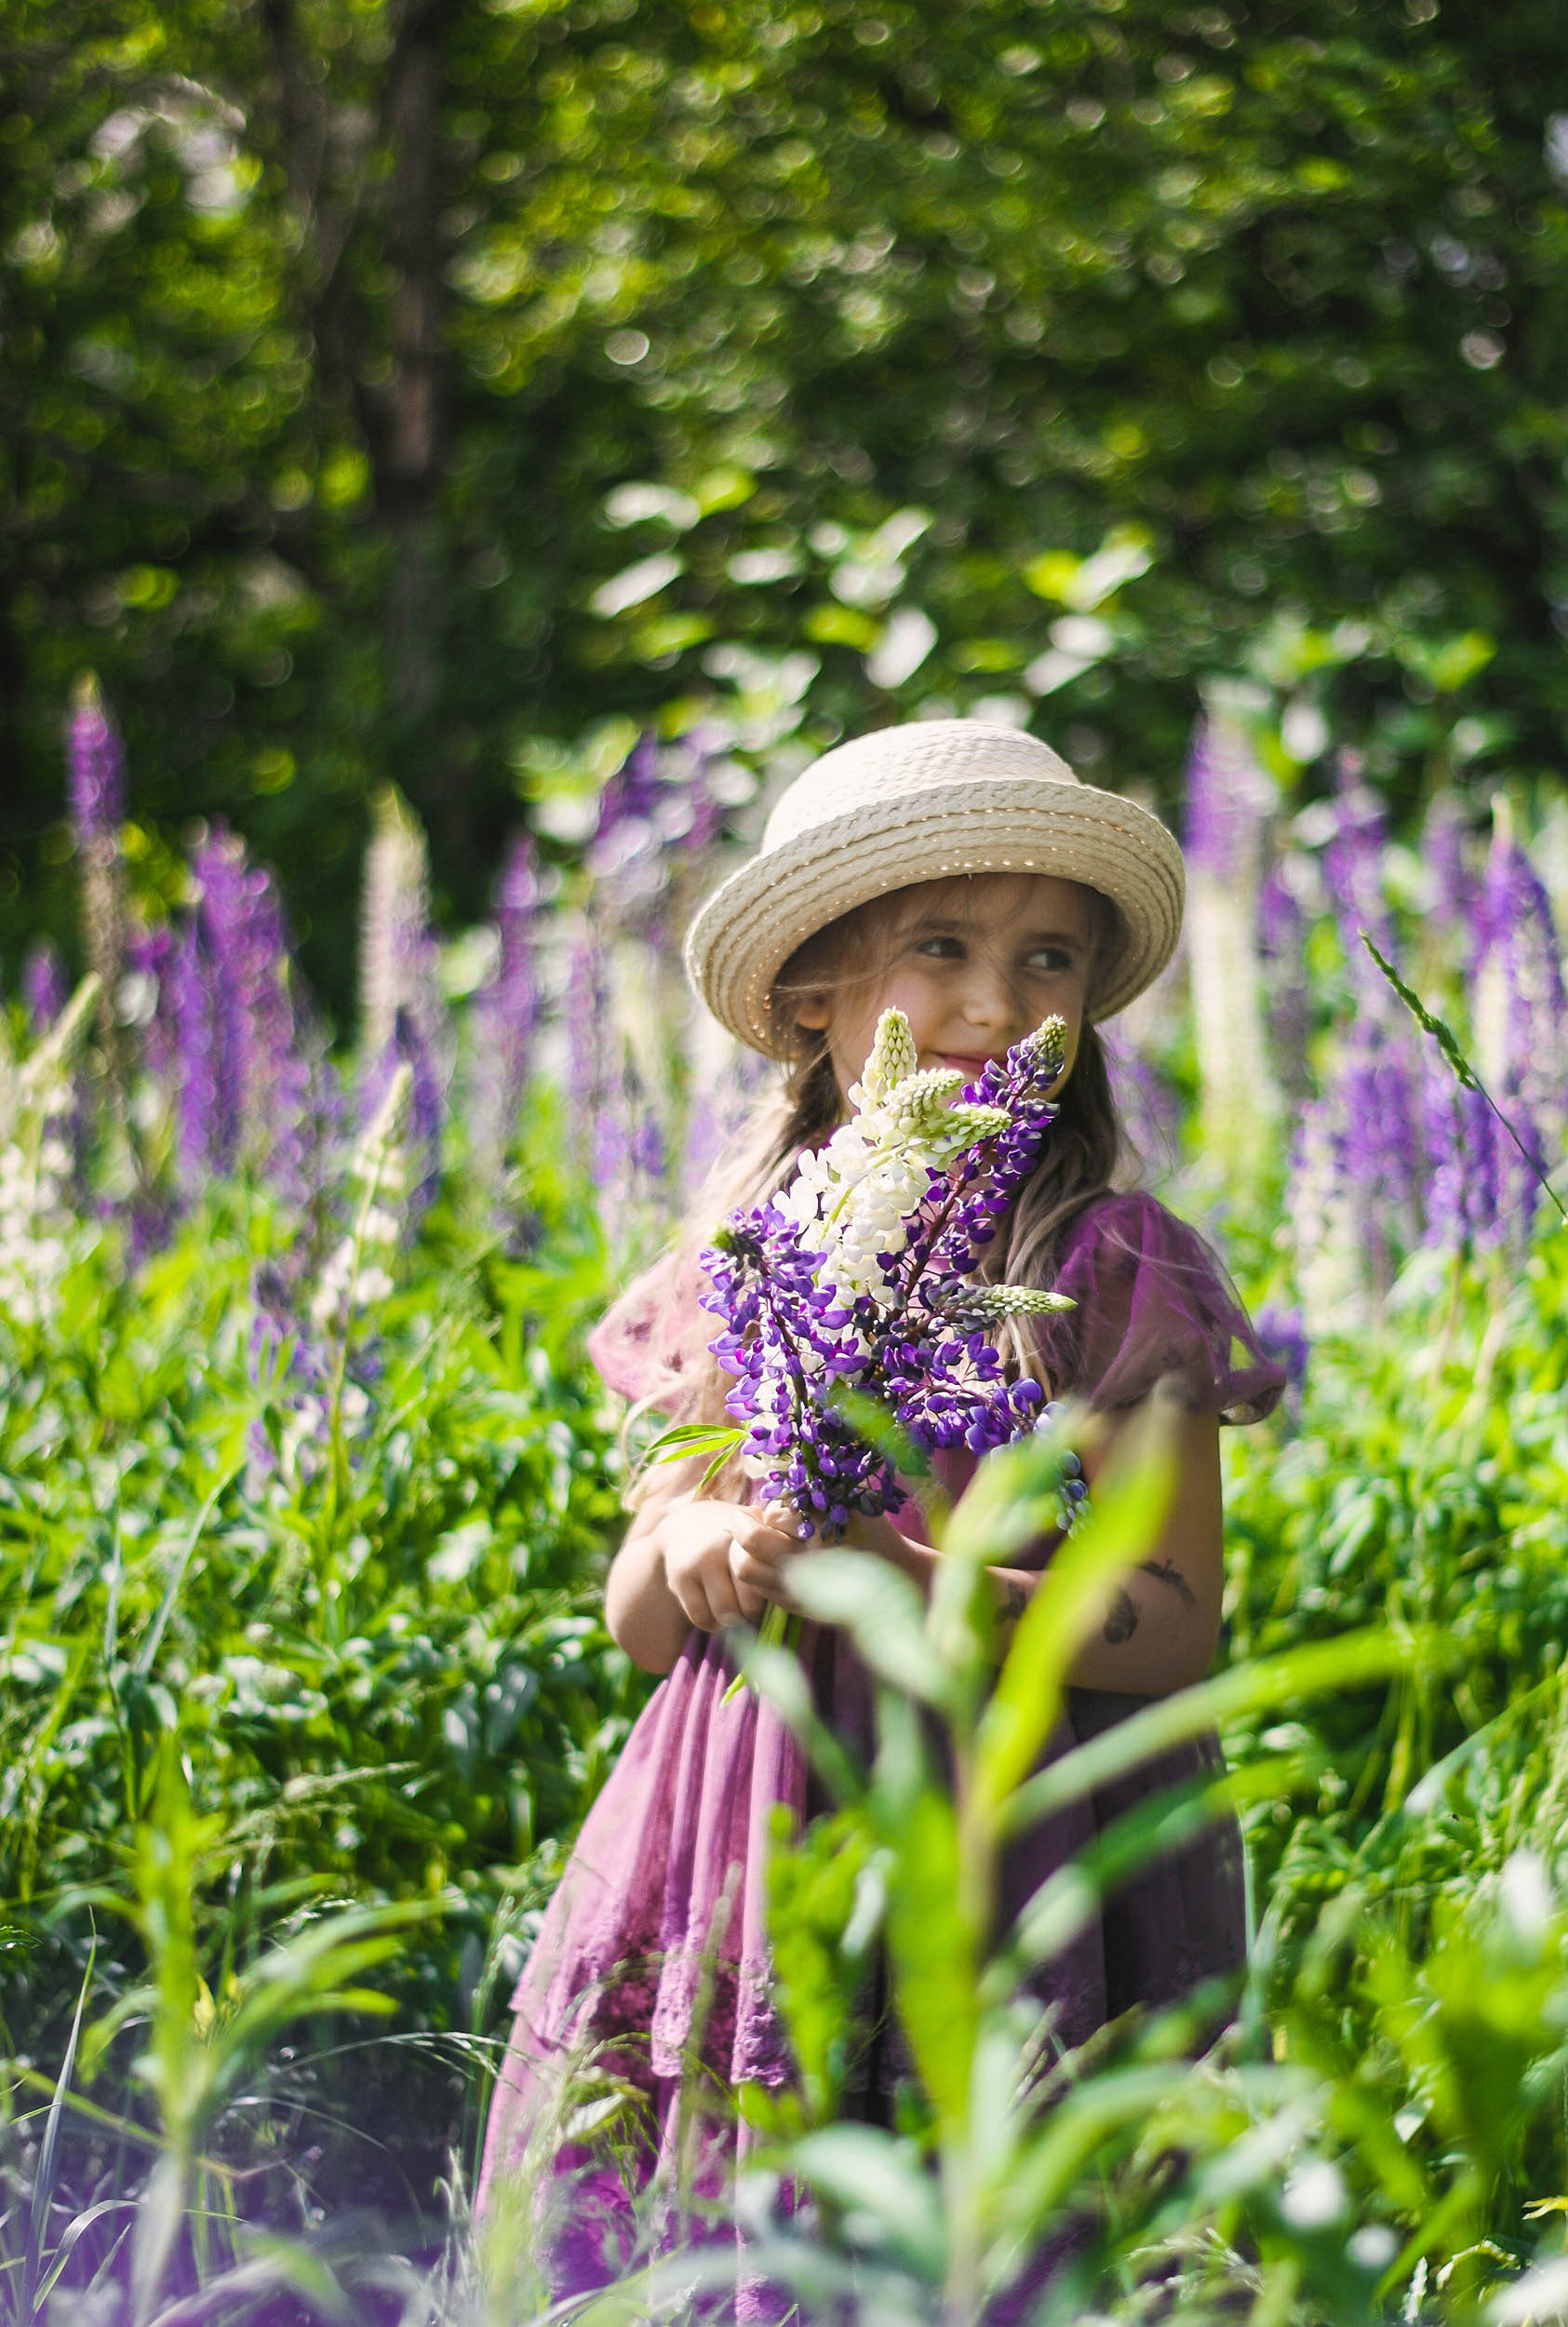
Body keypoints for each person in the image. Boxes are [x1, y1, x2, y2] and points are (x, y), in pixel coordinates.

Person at [474, 720, 1286, 2295]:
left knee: (994, 2230)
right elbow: (639, 1612)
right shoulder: (755, 1253)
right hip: (746, 1833)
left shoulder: (1109, 1266)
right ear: (812, 1001)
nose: (998, 1003)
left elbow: (1174, 1630)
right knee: (720, 2215)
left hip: (1025, 1846)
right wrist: (711, 1544)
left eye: (1049, 957)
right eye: (940, 947)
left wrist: (904, 1577)